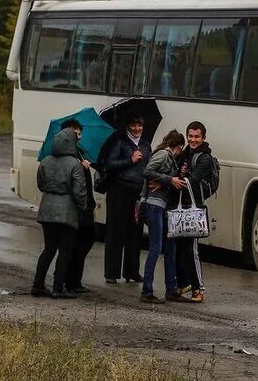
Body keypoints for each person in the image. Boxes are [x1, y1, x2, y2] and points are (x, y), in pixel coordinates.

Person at [32, 127, 88, 298]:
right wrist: (82, 207)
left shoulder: (45, 161)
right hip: (67, 211)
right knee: (65, 250)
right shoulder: (75, 165)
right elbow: (79, 192)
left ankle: (38, 285)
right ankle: (58, 287)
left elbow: (41, 185)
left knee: (48, 249)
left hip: (47, 209)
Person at [140, 129, 188, 304]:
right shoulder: (163, 154)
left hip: (161, 205)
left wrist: (169, 178)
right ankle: (147, 291)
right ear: (178, 146)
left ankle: (171, 288)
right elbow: (147, 171)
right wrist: (170, 180)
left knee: (170, 247)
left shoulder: (169, 157)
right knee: (155, 248)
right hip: (154, 205)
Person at [102, 115, 152, 284]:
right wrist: (130, 160)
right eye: (133, 124)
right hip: (119, 190)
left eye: (140, 125)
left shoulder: (145, 145)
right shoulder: (120, 142)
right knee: (116, 232)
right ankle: (111, 272)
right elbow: (110, 164)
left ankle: (131, 271)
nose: (137, 128)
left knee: (135, 233)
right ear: (128, 126)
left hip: (138, 192)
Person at [174, 121, 216, 303]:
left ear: (203, 138)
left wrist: (171, 180)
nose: (193, 139)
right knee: (179, 249)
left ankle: (198, 288)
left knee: (192, 250)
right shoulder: (185, 154)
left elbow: (193, 179)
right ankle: (183, 284)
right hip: (180, 206)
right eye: (190, 136)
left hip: (194, 208)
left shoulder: (205, 158)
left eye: (196, 136)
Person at [62, 119, 96, 294]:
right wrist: (81, 168)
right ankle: (70, 282)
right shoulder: (66, 155)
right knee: (76, 245)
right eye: (75, 132)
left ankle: (75, 281)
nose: (78, 136)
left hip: (86, 206)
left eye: (80, 133)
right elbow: (68, 179)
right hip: (77, 207)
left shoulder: (79, 152)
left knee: (87, 240)